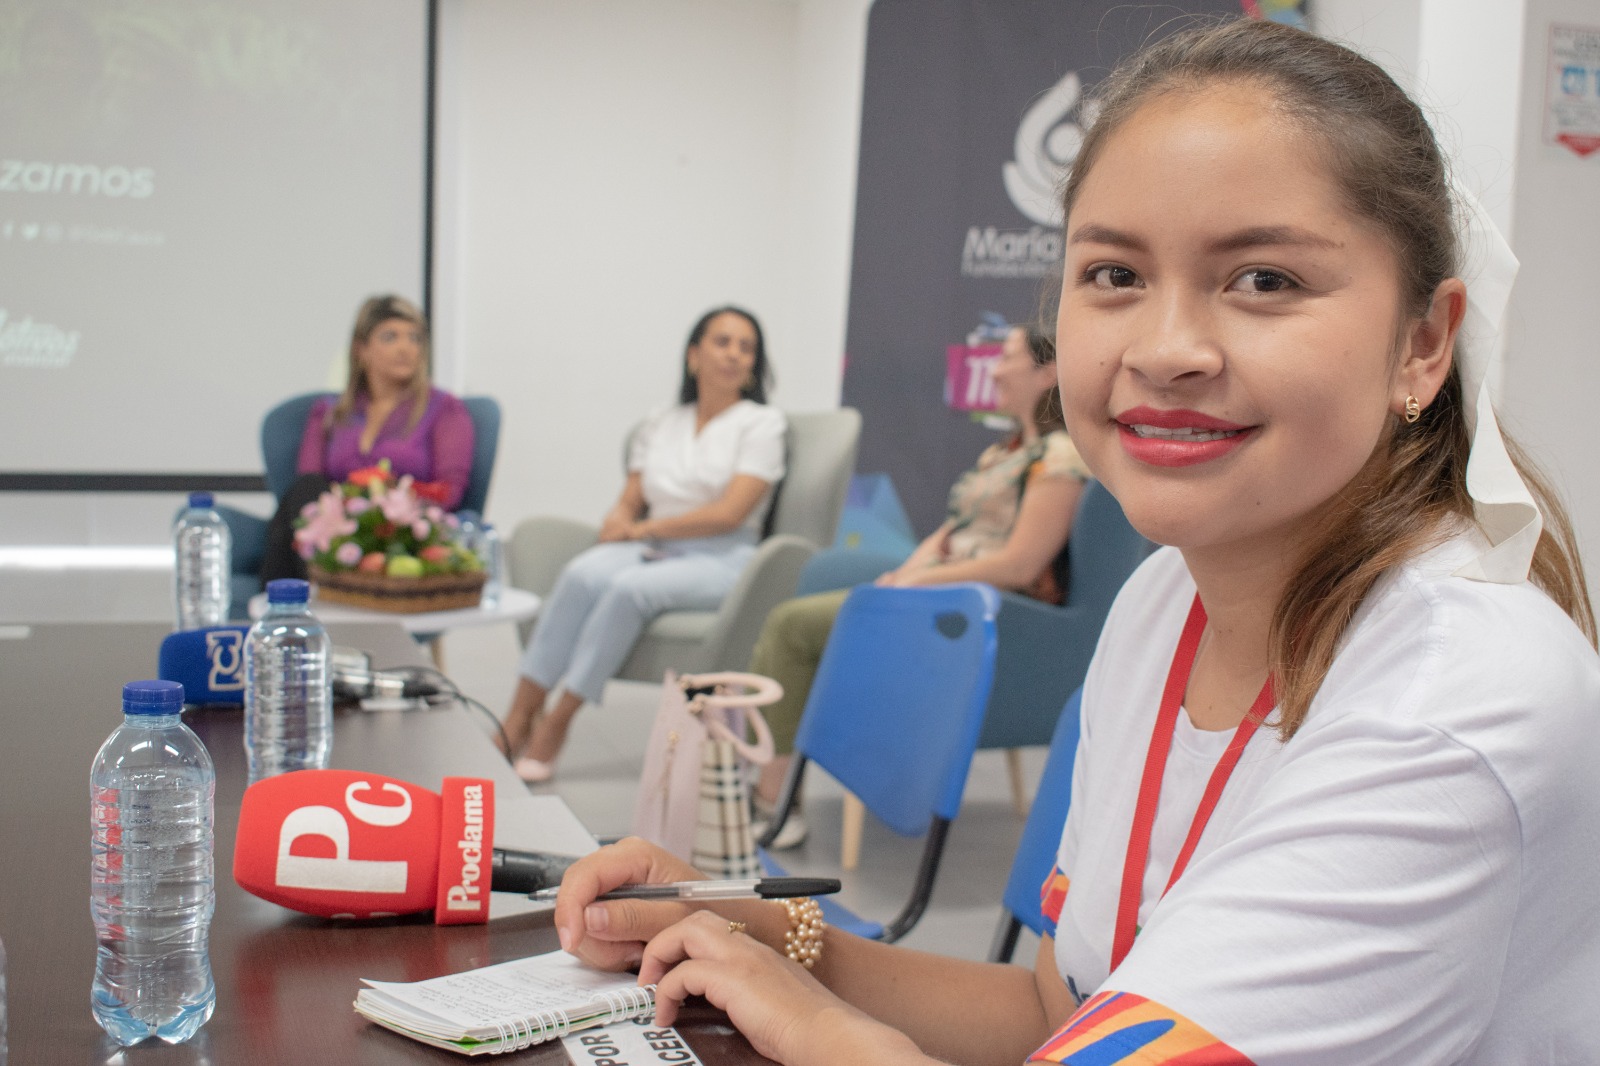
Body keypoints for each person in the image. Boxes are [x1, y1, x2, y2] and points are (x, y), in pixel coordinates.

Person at [548, 19, 1600, 1066]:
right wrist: (756, 930)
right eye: (1114, 276)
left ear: (1422, 342)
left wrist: (818, 1029)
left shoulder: (1456, 703)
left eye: (1263, 280)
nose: (1165, 348)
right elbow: (1066, 1009)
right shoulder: (1157, 609)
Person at [748, 325, 1090, 848]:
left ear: (1047, 372)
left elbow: (1020, 565)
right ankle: (771, 786)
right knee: (800, 625)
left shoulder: (1061, 456)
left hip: (979, 612)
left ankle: (772, 801)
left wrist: (918, 582)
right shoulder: (1005, 452)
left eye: (1007, 358)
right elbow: (954, 529)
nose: (994, 369)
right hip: (936, 594)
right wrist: (905, 574)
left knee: (791, 627)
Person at [505, 307, 786, 783]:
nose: (734, 354)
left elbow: (729, 513)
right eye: (722, 342)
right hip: (654, 541)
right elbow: (633, 496)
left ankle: (559, 721)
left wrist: (641, 531)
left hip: (725, 555)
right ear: (694, 355)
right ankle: (517, 717)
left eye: (746, 346)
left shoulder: (762, 424)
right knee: (580, 573)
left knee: (630, 589)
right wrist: (618, 519)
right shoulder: (661, 422)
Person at [260, 295, 474, 584]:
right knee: (305, 492)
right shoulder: (328, 412)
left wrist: (383, 497)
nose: (406, 349)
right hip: (334, 530)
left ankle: (294, 604)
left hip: (398, 531)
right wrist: (350, 502)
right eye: (390, 337)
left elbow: (451, 492)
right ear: (361, 349)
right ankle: (286, 609)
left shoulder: (444, 409)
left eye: (415, 339)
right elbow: (308, 487)